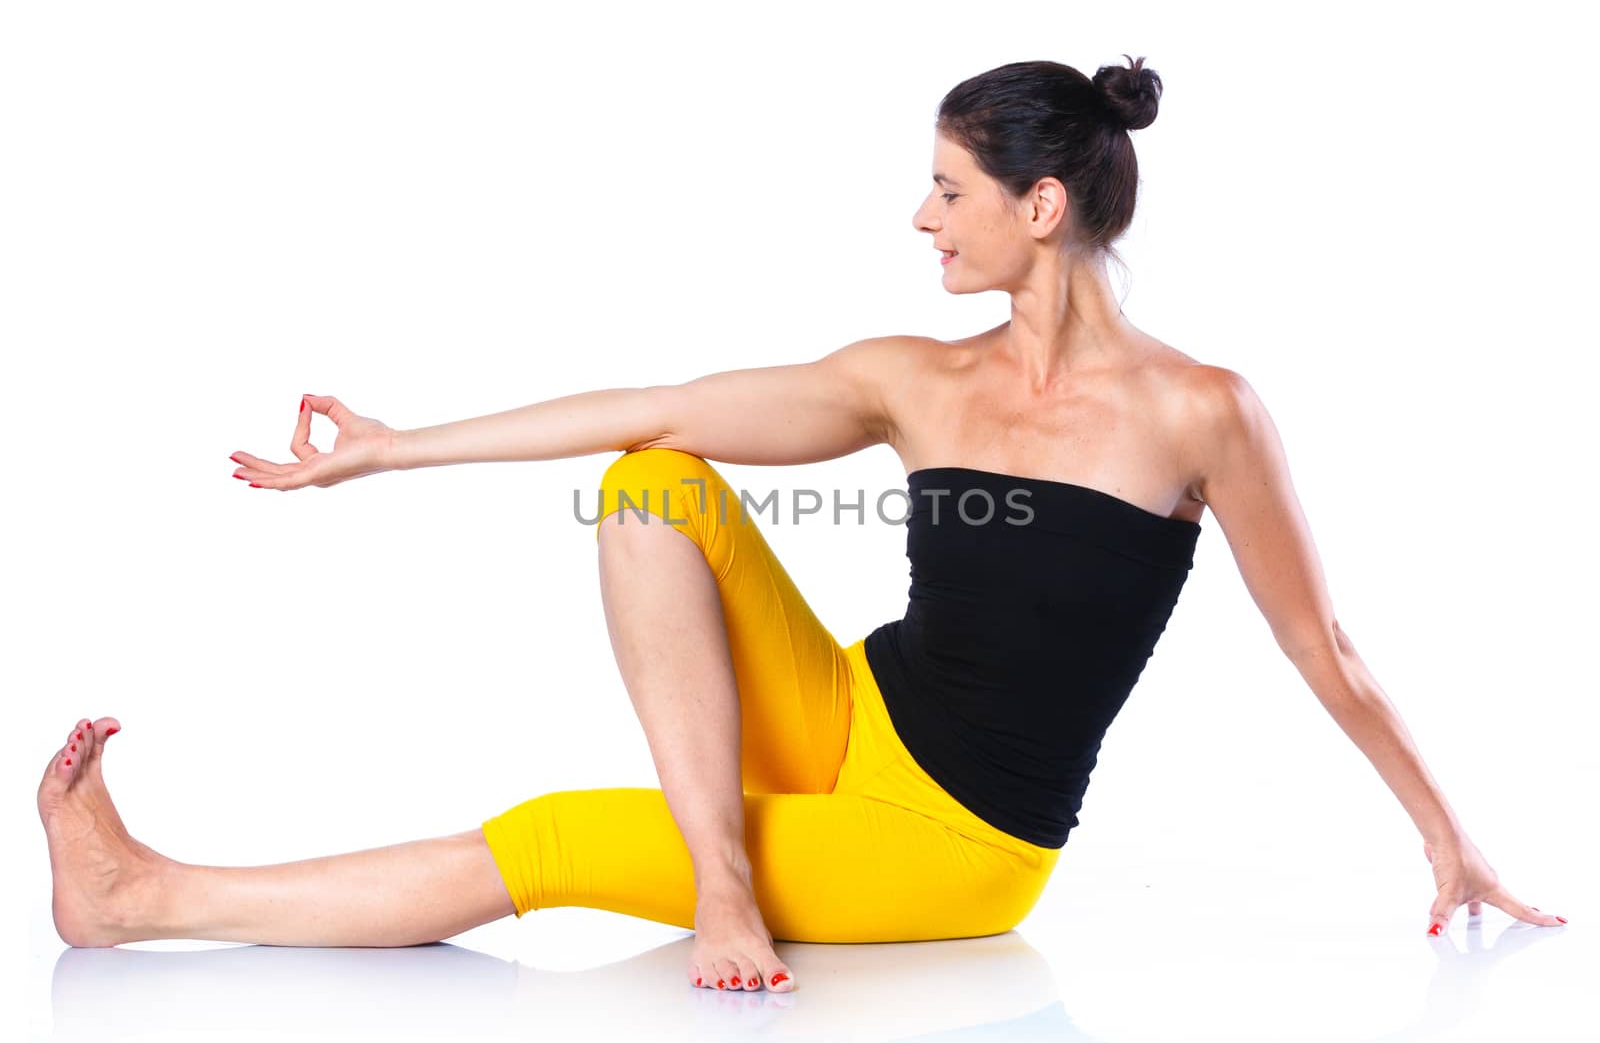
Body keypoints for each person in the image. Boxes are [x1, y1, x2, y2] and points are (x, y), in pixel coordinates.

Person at [37, 56, 1566, 994]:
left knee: (568, 834)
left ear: (1041, 206)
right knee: (655, 472)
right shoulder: (912, 379)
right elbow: (661, 397)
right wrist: (388, 454)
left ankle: (144, 896)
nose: (921, 217)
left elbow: (1330, 647)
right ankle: (726, 867)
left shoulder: (1202, 413)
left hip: (959, 841)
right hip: (854, 716)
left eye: (947, 189)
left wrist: (1452, 839)